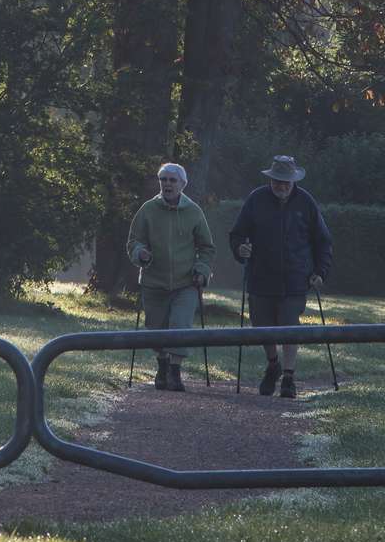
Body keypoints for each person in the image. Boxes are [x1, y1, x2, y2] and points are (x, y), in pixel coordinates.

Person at [229, 154, 332, 399]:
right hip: (260, 277)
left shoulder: (306, 202)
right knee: (262, 327)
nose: (282, 186)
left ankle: (288, 376)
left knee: (289, 325)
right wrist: (240, 249)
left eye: (286, 181)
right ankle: (273, 364)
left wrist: (320, 271)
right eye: (277, 180)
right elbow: (237, 234)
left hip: (296, 279)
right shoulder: (256, 199)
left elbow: (323, 241)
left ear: (294, 180)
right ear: (270, 179)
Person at [126, 162, 215, 392]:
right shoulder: (147, 209)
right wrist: (140, 253)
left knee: (180, 325)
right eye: (163, 179)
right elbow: (134, 241)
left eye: (172, 180)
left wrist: (201, 270)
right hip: (153, 281)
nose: (167, 184)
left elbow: (207, 248)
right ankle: (162, 365)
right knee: (156, 328)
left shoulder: (194, 211)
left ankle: (175, 371)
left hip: (186, 282)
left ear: (182, 184)